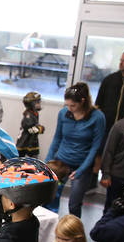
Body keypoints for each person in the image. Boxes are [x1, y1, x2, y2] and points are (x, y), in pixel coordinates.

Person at [45, 82, 106, 218]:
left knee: (74, 203)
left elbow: (96, 147)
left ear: (82, 101)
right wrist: (48, 162)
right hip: (61, 161)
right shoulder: (63, 114)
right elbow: (57, 138)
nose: (69, 109)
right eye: (67, 105)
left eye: (73, 105)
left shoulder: (97, 117)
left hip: (82, 164)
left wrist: (82, 169)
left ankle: (74, 230)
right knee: (51, 197)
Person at [16, 91, 44, 158]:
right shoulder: (28, 115)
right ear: (31, 104)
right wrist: (39, 129)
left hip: (32, 141)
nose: (39, 104)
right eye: (37, 102)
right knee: (21, 159)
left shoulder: (35, 113)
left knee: (33, 159)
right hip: (24, 141)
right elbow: (29, 130)